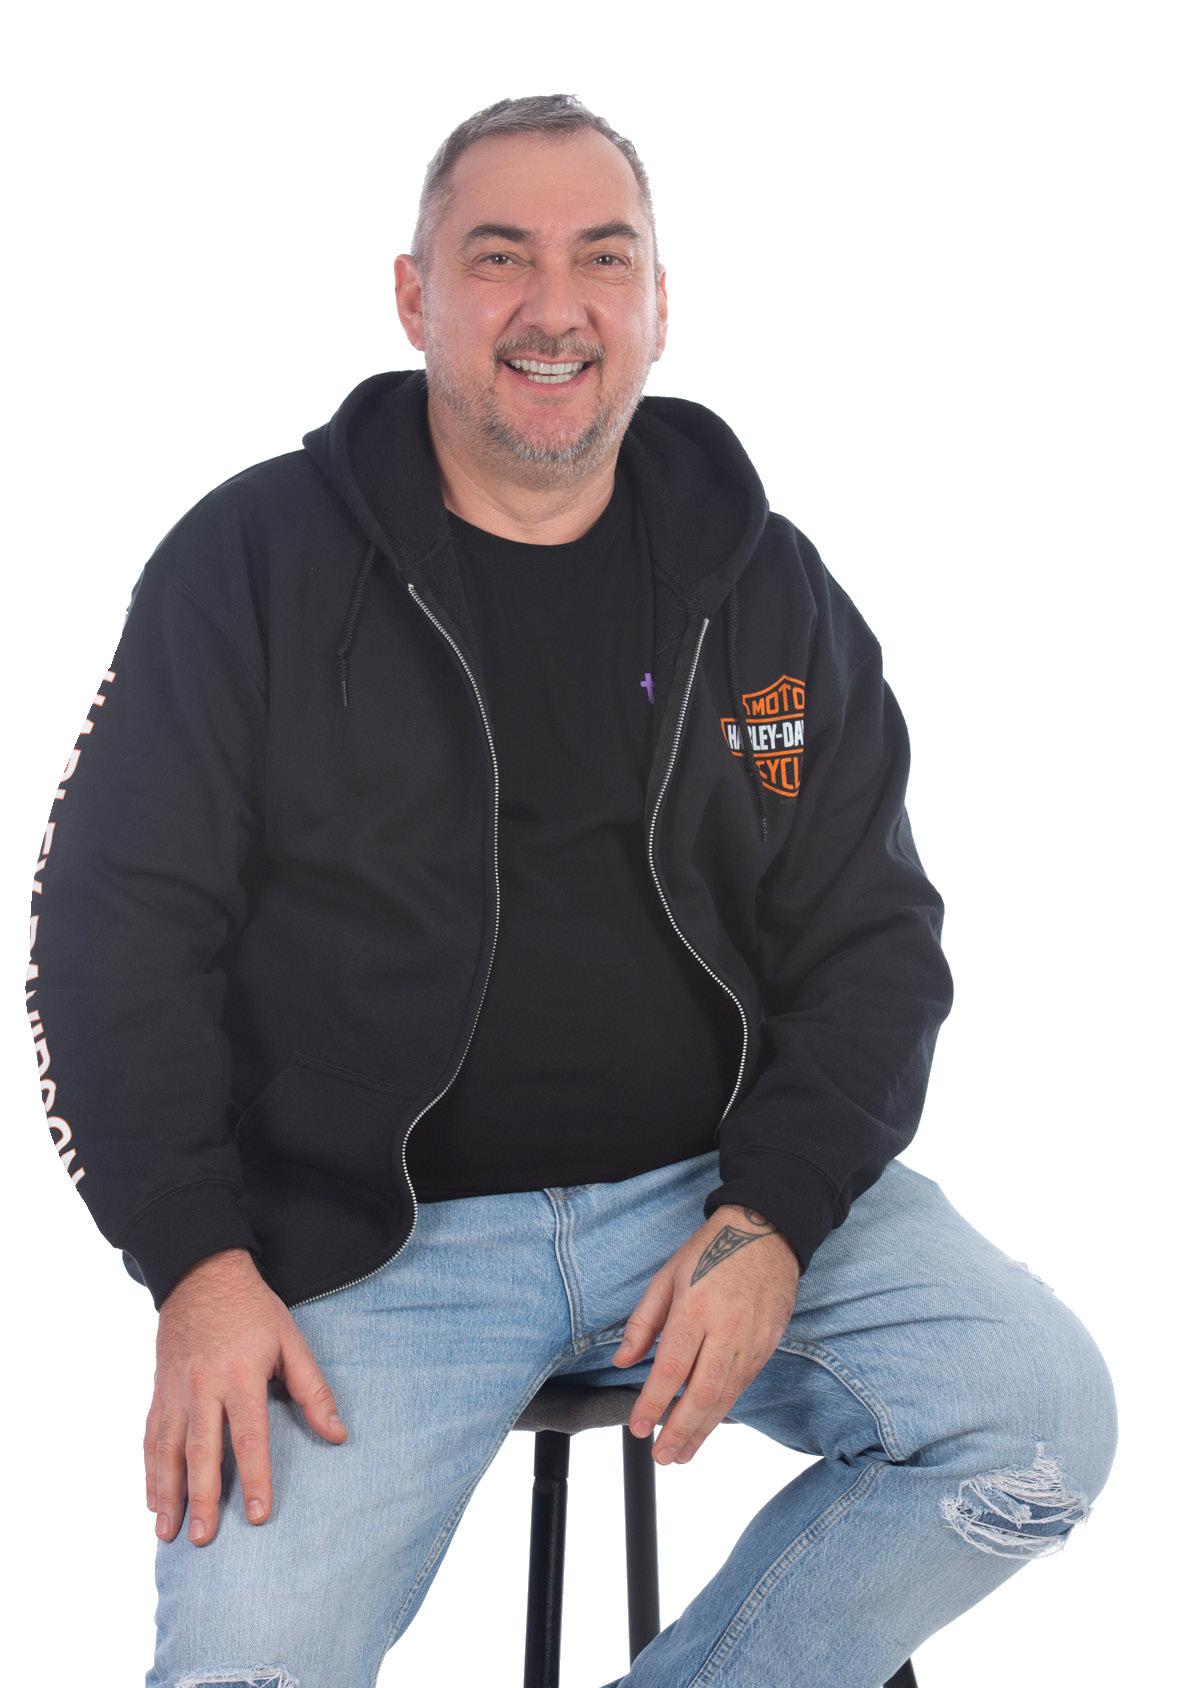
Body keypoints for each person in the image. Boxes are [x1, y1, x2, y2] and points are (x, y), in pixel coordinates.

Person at [26, 93, 1117, 1688]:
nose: (555, 307)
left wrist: (770, 1215)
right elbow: (110, 933)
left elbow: (874, 940)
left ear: (657, 301)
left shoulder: (764, 580)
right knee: (244, 1665)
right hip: (371, 1245)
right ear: (414, 296)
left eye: (602, 259)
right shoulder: (251, 560)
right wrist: (195, 1263)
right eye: (499, 258)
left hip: (710, 1196)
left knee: (1032, 1424)